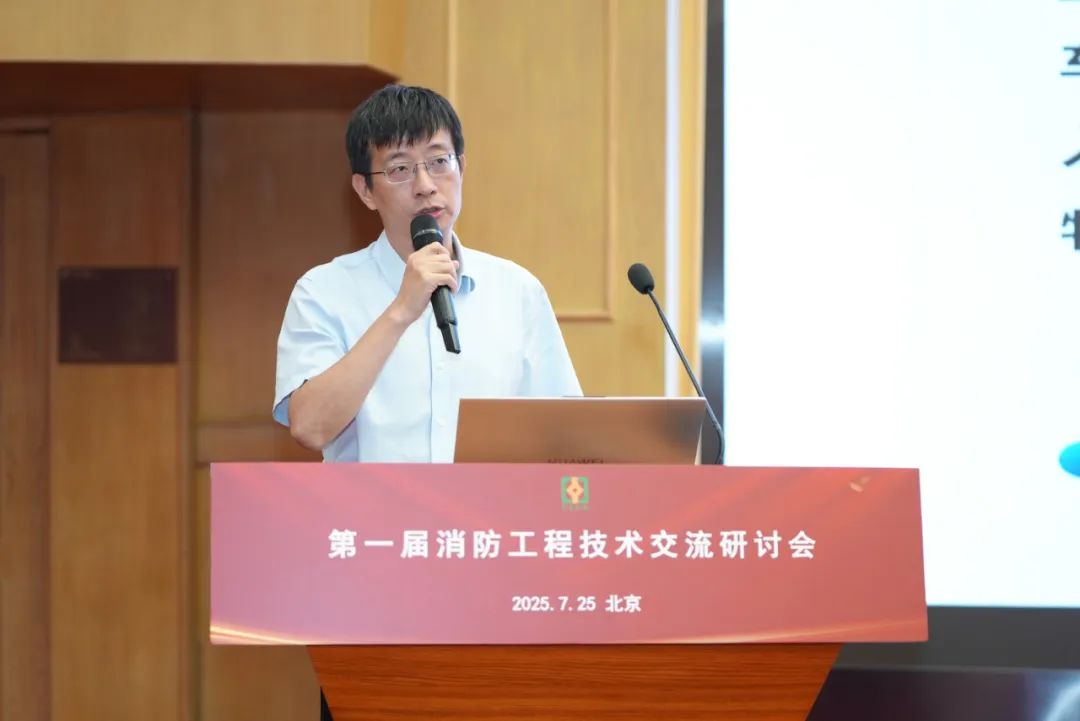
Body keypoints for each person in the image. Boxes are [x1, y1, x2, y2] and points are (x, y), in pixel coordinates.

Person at [273, 84, 581, 464]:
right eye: (400, 169)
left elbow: (566, 434)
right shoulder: (323, 291)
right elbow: (310, 427)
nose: (425, 186)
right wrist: (401, 310)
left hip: (487, 504)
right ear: (365, 190)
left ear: (461, 167)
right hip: (372, 505)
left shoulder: (517, 291)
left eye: (439, 162)